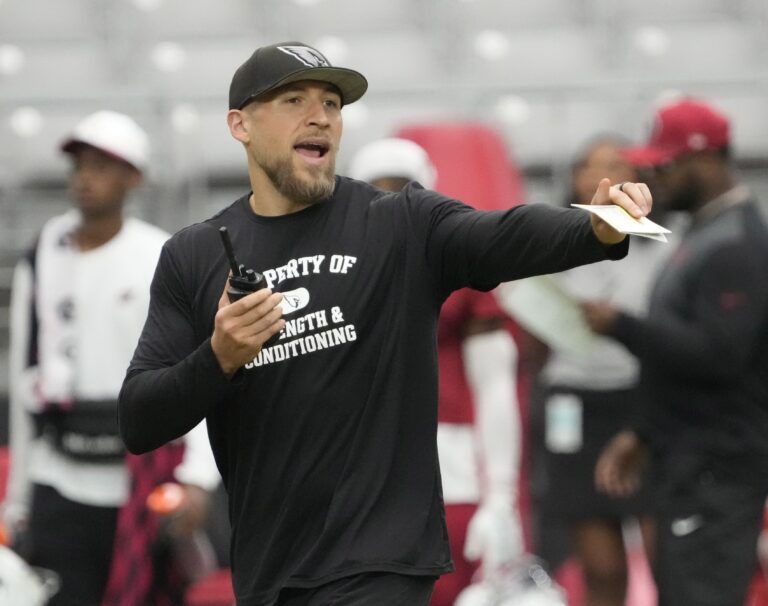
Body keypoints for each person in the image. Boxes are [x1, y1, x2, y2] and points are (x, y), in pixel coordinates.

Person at [117, 41, 651, 606]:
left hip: (381, 563)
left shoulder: (399, 222)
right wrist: (219, 356)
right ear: (240, 124)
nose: (320, 115)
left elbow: (501, 235)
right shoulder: (194, 255)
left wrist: (597, 229)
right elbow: (141, 418)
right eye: (294, 99)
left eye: (331, 102)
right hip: (269, 570)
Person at [3, 110, 220, 606]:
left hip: (140, 478)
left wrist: (198, 479)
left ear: (133, 177)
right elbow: (24, 373)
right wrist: (16, 500)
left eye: (102, 166)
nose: (85, 178)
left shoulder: (157, 255)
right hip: (58, 476)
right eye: (79, 165)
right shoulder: (43, 254)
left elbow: (198, 372)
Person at [585, 97, 768, 606]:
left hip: (717, 466)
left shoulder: (737, 244)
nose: (656, 176)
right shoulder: (707, 233)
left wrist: (622, 326)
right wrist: (643, 431)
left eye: (665, 164)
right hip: (688, 461)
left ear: (704, 158)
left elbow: (718, 356)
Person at [348, 138, 524, 605]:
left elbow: (495, 385)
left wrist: (502, 496)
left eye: (403, 192)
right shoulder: (330, 274)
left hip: (449, 464)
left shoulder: (461, 268)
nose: (390, 205)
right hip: (355, 466)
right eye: (376, 192)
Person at [530, 136, 662, 606]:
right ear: (578, 177)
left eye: (623, 164)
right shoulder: (551, 241)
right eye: (600, 165)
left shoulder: (661, 244)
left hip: (640, 402)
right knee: (602, 569)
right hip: (574, 404)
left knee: (662, 552)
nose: (614, 173)